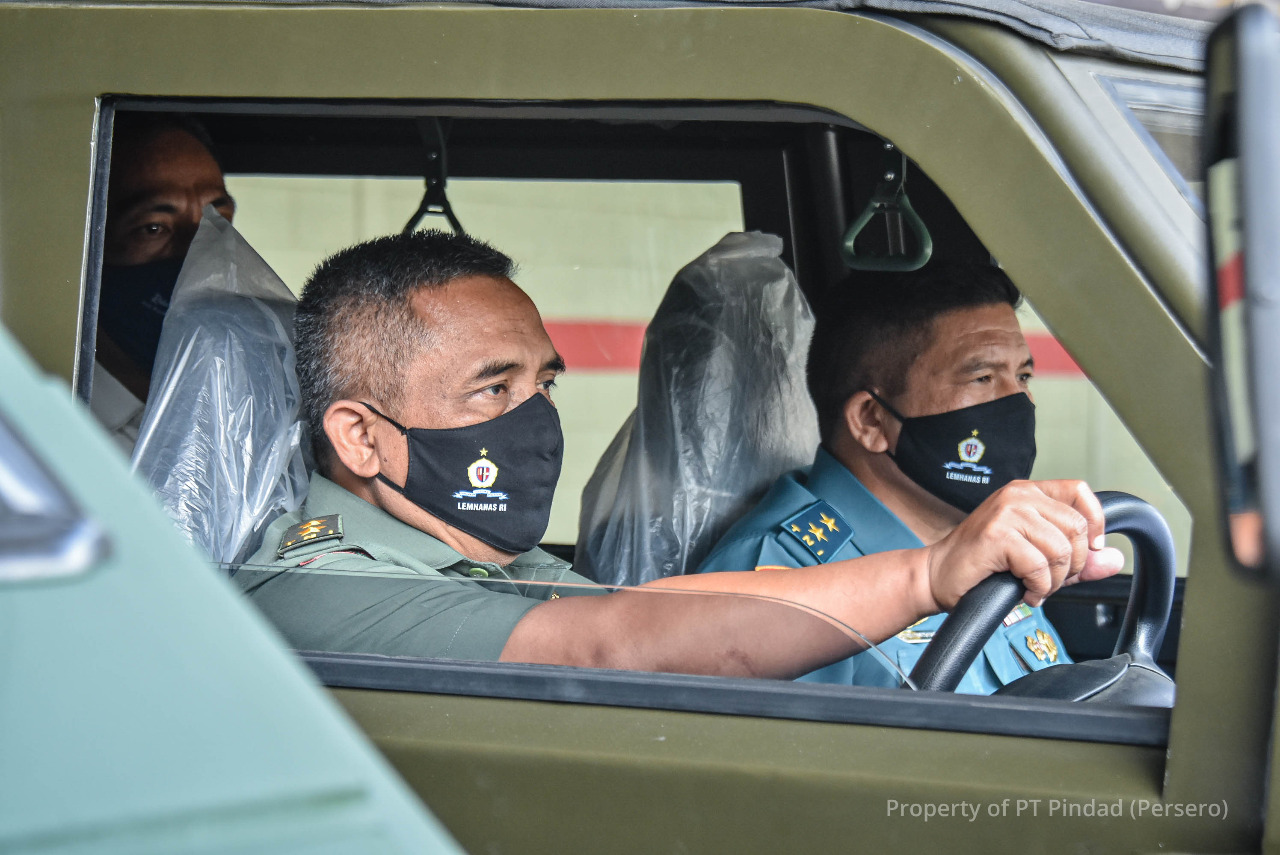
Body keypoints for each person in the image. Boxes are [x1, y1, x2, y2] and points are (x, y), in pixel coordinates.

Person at [235, 231, 1121, 679]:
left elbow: (651, 608)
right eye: (491, 388)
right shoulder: (323, 585)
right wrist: (928, 576)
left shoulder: (498, 563)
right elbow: (612, 644)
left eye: (543, 382)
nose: (536, 418)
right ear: (359, 435)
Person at [696, 262, 1073, 692]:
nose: (1018, 403)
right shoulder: (779, 572)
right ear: (872, 421)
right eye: (983, 377)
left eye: (1023, 376)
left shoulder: (987, 539)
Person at [91, 113, 236, 448]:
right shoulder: (45, 430)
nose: (200, 252)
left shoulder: (247, 409)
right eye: (154, 228)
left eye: (217, 222)